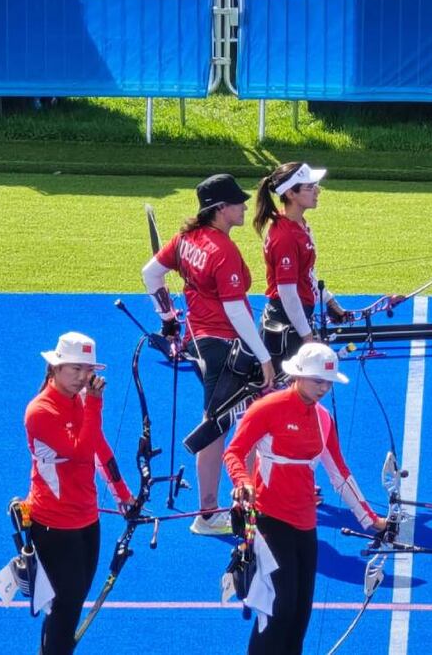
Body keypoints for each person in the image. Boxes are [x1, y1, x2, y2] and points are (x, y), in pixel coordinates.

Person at [224, 342, 385, 654]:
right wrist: (242, 480)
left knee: (300, 614)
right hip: (269, 519)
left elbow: (340, 473)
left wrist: (371, 520)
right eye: (318, 381)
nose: (324, 387)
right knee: (277, 609)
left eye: (328, 382)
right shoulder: (267, 408)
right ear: (298, 376)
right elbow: (234, 451)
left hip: (305, 524)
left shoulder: (324, 420)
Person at [141, 173, 276, 536]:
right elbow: (235, 311)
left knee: (237, 418)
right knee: (219, 425)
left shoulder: (187, 239)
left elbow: (151, 274)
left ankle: (239, 498)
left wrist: (167, 318)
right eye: (237, 202)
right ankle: (208, 512)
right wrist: (263, 356)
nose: (245, 206)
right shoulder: (222, 251)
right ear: (220, 210)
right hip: (227, 347)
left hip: (202, 341)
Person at [24, 332, 134, 654]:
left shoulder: (80, 402)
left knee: (70, 603)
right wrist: (95, 403)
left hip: (87, 520)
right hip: (54, 526)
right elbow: (81, 451)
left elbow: (100, 446)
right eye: (75, 369)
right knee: (65, 606)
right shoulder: (40, 411)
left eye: (88, 370)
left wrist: (123, 494)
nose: (84, 378)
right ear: (54, 369)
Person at [253, 162, 352, 365]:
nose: (318, 191)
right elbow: (288, 293)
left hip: (294, 320)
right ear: (291, 194)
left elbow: (306, 274)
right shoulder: (286, 236)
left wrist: (330, 301)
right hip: (287, 323)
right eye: (310, 187)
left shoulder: (298, 224)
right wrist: (307, 338)